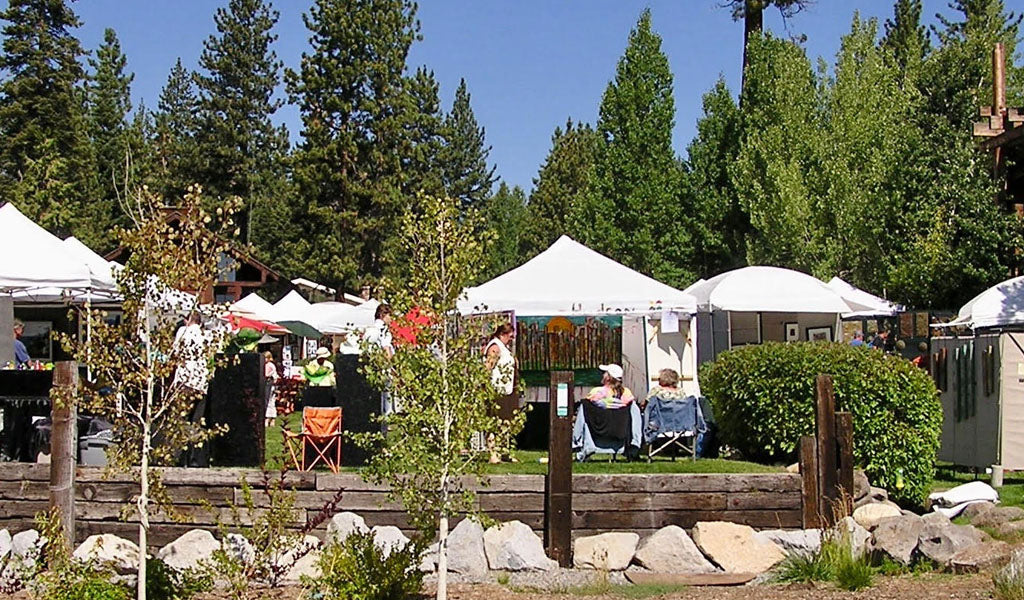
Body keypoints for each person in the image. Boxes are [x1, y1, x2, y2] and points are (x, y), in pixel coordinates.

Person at [483, 323, 517, 463]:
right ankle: (493, 454)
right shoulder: (495, 347)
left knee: (506, 422)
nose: (511, 339)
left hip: (506, 390)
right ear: (503, 334)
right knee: (494, 422)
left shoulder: (504, 348)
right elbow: (488, 367)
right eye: (510, 336)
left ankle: (504, 452)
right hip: (496, 390)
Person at [263, 351, 279, 427]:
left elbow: (270, 375)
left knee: (270, 401)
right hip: (266, 384)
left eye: (265, 358)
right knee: (267, 401)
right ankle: (268, 418)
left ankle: (271, 418)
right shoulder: (264, 365)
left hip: (270, 385)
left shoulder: (270, 365)